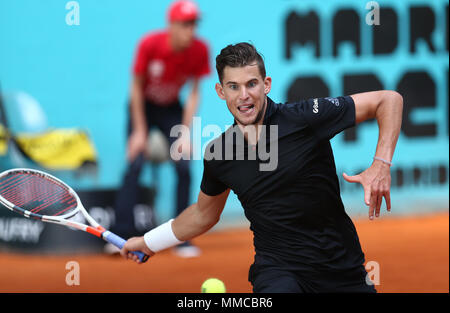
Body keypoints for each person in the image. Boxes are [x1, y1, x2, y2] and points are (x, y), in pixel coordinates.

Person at [120, 42, 403, 293]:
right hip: (278, 271)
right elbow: (203, 214)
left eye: (251, 84)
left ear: (266, 84)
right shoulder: (219, 154)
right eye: (233, 87)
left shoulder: (305, 118)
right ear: (220, 91)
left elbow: (388, 100)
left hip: (342, 267)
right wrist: (149, 241)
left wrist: (381, 164)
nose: (244, 95)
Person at [110, 0, 210, 258]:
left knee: (184, 165)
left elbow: (194, 93)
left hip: (171, 110)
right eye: (185, 24)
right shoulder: (149, 44)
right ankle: (120, 236)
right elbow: (135, 88)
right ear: (172, 25)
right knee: (135, 163)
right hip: (142, 105)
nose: (191, 30)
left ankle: (182, 238)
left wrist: (186, 132)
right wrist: (139, 132)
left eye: (193, 24)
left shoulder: (200, 50)